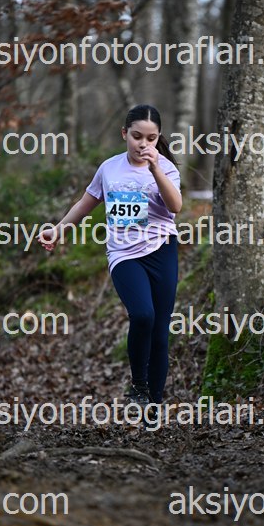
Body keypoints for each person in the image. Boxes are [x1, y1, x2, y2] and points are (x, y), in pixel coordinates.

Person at [38, 104, 182, 410]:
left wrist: (156, 169)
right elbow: (85, 203)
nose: (143, 144)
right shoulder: (109, 168)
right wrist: (58, 229)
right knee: (142, 315)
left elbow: (176, 206)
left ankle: (153, 407)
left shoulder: (166, 168)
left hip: (161, 250)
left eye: (151, 138)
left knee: (160, 334)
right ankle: (138, 385)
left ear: (158, 138)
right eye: (137, 136)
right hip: (124, 255)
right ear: (124, 134)